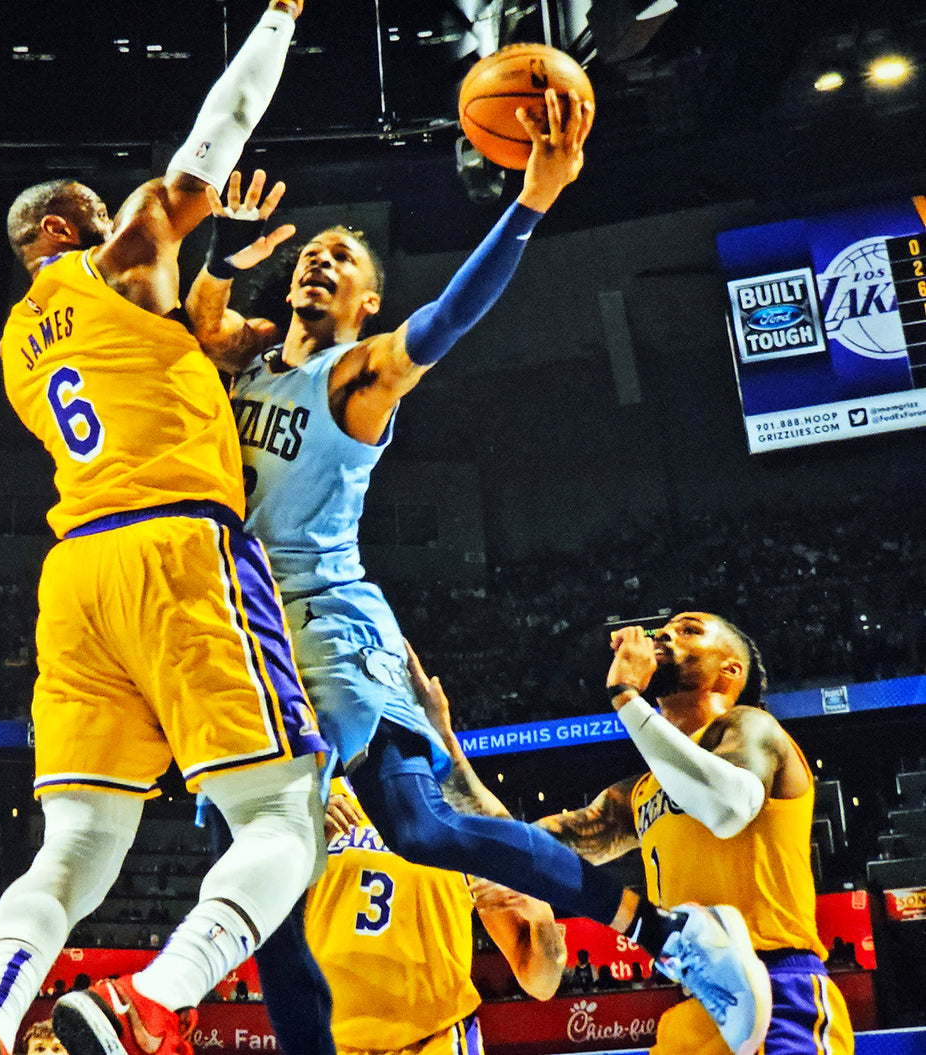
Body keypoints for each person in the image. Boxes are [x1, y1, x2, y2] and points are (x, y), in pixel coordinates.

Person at [186, 97, 771, 1055]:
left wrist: (532, 201)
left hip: (330, 631)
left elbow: (449, 318)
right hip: (239, 650)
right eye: (310, 255)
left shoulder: (356, 379)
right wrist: (222, 253)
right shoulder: (242, 361)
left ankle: (671, 935)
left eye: (343, 261)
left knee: (418, 830)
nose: (319, 264)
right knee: (263, 910)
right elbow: (191, 324)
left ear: (366, 303)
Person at [0, 6, 322, 1055]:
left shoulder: (16, 344)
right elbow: (214, 132)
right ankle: (150, 996)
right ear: (60, 231)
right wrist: (275, 21)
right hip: (177, 552)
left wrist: (219, 298)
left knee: (78, 845)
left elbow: (169, 355)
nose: (119, 221)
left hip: (76, 576)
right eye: (96, 215)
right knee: (285, 816)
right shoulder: (119, 255)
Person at [538, 612, 854, 1055]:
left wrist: (627, 697)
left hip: (777, 991)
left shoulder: (752, 728)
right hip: (693, 1006)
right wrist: (445, 755)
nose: (665, 633)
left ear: (730, 671)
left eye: (689, 630)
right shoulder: (639, 793)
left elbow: (725, 810)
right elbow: (528, 843)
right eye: (665, 628)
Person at [308, 766, 566, 1055]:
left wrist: (543, 918)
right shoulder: (320, 800)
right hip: (332, 1040)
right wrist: (299, 829)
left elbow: (542, 984)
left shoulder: (461, 812)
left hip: (437, 1041)